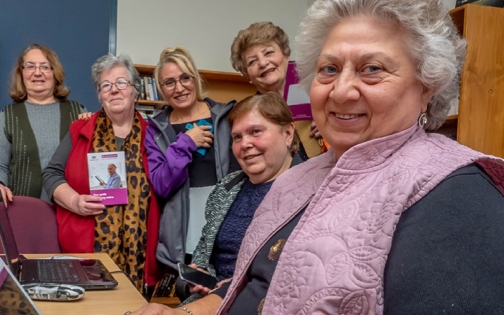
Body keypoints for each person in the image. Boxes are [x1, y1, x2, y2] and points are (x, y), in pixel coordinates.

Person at [130, 0, 504, 314]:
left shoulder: (459, 193)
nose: (340, 91)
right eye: (329, 69)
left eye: (371, 69)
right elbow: (260, 282)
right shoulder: (298, 178)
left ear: (427, 85)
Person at [42, 54, 161, 293]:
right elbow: (51, 174)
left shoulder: (156, 135)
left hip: (141, 254)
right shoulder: (80, 129)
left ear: (135, 91)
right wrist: (74, 201)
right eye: (106, 85)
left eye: (121, 82)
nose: (114, 90)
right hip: (85, 251)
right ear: (100, 95)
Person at [182, 93, 302, 302]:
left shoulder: (315, 191)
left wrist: (228, 291)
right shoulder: (225, 189)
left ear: (288, 133)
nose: (245, 144)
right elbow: (203, 256)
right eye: (237, 137)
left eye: (255, 132)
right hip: (210, 303)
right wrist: (197, 277)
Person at [145, 47, 240, 272]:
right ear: (161, 88)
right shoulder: (156, 128)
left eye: (185, 78)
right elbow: (161, 185)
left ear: (195, 78)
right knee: (192, 298)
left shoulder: (226, 116)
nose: (179, 88)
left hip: (228, 225)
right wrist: (186, 142)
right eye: (169, 82)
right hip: (183, 232)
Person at [0, 44, 86, 205]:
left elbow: (90, 162)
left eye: (45, 67)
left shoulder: (77, 112)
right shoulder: (8, 115)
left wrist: (90, 123)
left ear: (55, 73)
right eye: (30, 66)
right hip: (24, 210)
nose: (37, 72)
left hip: (70, 211)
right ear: (21, 73)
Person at [230, 21, 322, 160]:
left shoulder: (319, 87)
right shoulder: (250, 115)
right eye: (252, 61)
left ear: (286, 54)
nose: (262, 63)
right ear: (247, 74)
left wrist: (331, 127)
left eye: (269, 53)